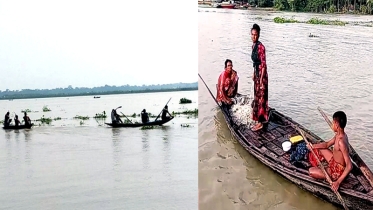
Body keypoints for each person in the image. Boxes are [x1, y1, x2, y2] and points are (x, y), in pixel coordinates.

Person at [307, 111, 353, 191]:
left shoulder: (341, 142)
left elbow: (349, 166)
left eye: (332, 123)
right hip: (334, 161)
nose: (332, 125)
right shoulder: (339, 135)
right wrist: (312, 146)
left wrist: (338, 182)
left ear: (336, 124)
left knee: (311, 171)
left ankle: (330, 175)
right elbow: (327, 144)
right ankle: (326, 168)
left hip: (337, 171)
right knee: (320, 148)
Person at [250, 23, 269, 132]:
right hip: (257, 74)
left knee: (261, 98)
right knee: (257, 97)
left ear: (259, 35)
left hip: (262, 76)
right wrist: (254, 73)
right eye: (252, 34)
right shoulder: (253, 46)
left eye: (256, 35)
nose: (254, 37)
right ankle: (258, 120)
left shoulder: (261, 47)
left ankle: (261, 122)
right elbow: (255, 63)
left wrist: (261, 81)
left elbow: (263, 65)